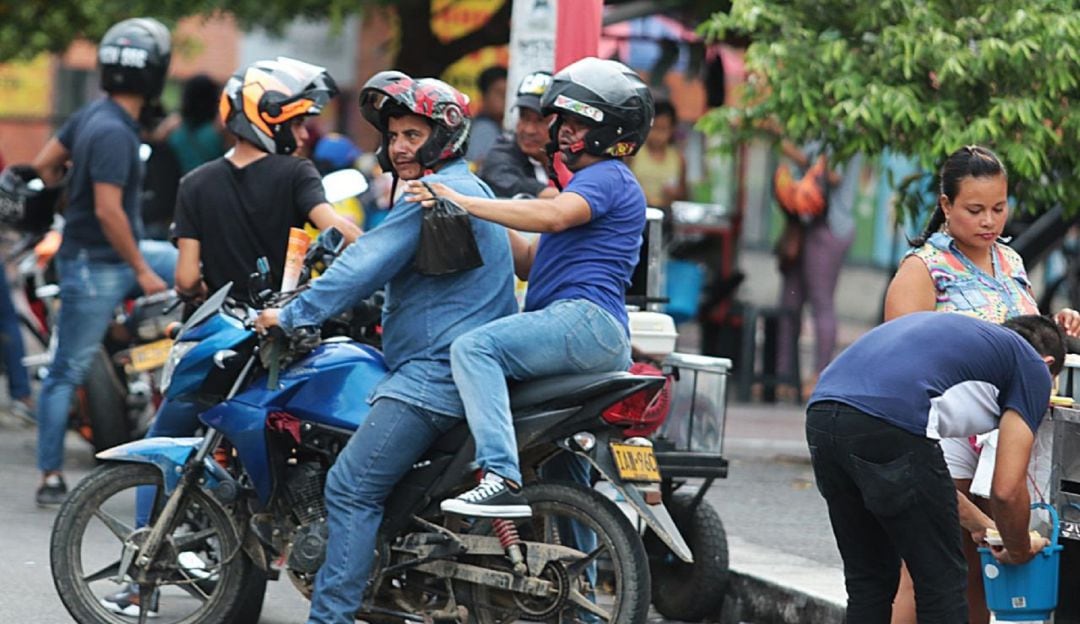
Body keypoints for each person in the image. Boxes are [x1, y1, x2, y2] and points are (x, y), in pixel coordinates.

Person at [254, 70, 517, 624]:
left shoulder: (428, 196)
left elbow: (362, 266)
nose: (399, 147)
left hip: (432, 376)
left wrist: (290, 313)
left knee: (349, 487)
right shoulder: (472, 189)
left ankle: (331, 618)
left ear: (442, 138)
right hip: (454, 367)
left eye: (412, 136)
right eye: (394, 135)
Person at [406, 57, 653, 517]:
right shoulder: (585, 188)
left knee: (474, 350)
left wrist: (464, 199)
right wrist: (471, 201)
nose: (563, 132)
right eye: (565, 121)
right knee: (564, 475)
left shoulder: (606, 178)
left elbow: (554, 215)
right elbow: (528, 261)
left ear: (608, 129)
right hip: (584, 332)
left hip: (582, 322)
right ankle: (595, 577)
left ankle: (499, 474)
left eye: (577, 122)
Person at [883, 144, 1080, 624]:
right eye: (975, 210)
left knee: (982, 561)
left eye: (998, 207)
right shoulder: (923, 268)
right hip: (945, 429)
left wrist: (1056, 326)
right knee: (927, 563)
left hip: (1003, 426)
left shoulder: (1009, 261)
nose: (989, 220)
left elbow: (1020, 334)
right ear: (946, 206)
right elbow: (897, 361)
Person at [806, 312, 1063, 624]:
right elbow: (1007, 490)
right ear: (1048, 363)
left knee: (869, 580)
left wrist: (983, 525)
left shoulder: (968, 346)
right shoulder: (1032, 367)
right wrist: (1019, 548)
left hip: (822, 414)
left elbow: (924, 481)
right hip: (887, 420)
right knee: (941, 581)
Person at [29, 18, 177, 506]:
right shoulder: (114, 132)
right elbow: (110, 209)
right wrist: (141, 271)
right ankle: (50, 475)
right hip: (102, 264)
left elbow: (46, 165)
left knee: (195, 268)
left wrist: (65, 204)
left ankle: (130, 349)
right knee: (66, 369)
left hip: (94, 256)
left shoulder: (90, 115)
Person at [172, 57, 361, 303]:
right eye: (297, 123)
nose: (304, 134)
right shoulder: (297, 172)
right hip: (278, 323)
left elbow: (186, 280)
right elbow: (339, 232)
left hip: (219, 324)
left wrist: (200, 291)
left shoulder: (193, 183)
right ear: (270, 119)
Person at [775, 140, 864, 399]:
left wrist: (791, 150)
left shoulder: (846, 130)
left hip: (830, 226)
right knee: (788, 304)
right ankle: (784, 377)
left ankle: (820, 377)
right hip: (801, 223)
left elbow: (833, 175)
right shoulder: (809, 123)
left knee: (821, 302)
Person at [478, 70, 558, 199]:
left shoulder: (572, 155)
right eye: (524, 117)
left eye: (540, 120)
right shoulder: (501, 156)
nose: (529, 130)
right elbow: (523, 189)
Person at [628, 99, 686, 225]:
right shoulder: (634, 154)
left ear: (672, 129)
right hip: (638, 214)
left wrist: (674, 193)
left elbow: (684, 192)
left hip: (665, 217)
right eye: (654, 129)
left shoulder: (677, 157)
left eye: (663, 129)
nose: (658, 135)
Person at [464, 65, 507, 165]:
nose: (505, 99)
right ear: (484, 95)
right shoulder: (484, 128)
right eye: (499, 93)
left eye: (507, 94)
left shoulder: (497, 125)